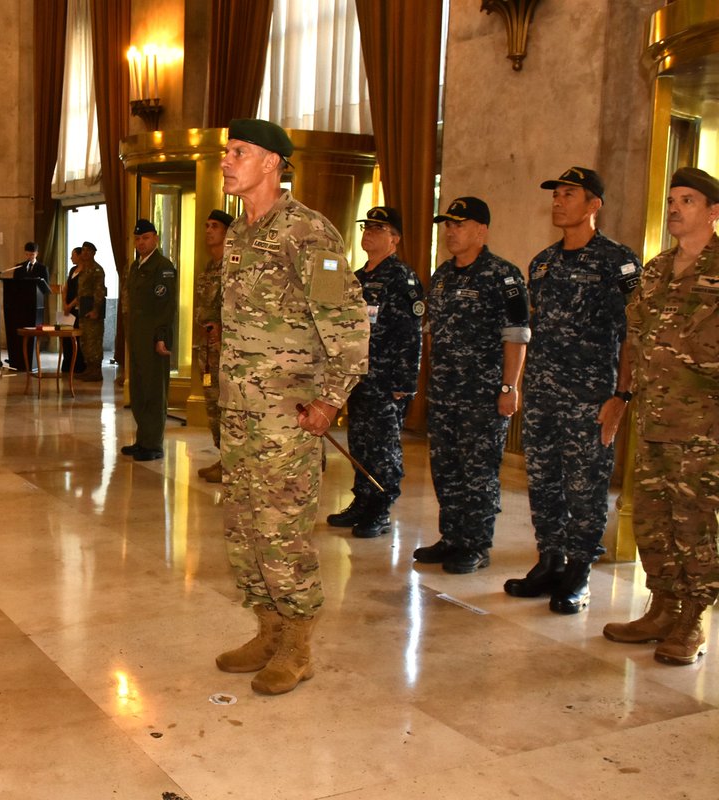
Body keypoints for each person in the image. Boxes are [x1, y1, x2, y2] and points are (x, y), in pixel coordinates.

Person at [213, 118, 369, 695]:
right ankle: (268, 629)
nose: (227, 161)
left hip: (288, 415)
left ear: (273, 163)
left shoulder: (308, 233)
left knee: (282, 530)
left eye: (239, 152)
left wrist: (331, 401)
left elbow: (348, 325)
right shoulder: (238, 234)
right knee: (244, 527)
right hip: (241, 412)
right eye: (226, 152)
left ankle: (298, 645)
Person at [504, 168, 641, 614]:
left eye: (569, 194)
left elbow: (633, 335)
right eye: (556, 195)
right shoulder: (542, 263)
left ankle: (579, 572)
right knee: (543, 483)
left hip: (591, 398)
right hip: (544, 395)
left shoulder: (617, 263)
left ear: (593, 205)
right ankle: (550, 561)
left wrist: (621, 396)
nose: (559, 202)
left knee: (585, 487)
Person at [601, 166, 719, 665]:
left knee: (694, 522)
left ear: (713, 212)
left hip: (703, 428)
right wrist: (622, 399)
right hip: (652, 419)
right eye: (672, 200)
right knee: (652, 519)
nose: (674, 207)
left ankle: (692, 618)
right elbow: (635, 339)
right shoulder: (654, 269)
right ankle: (662, 607)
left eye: (687, 200)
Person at [414, 197, 530, 574]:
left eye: (459, 224)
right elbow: (432, 333)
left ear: (481, 231)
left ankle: (477, 544)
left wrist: (509, 388)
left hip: (482, 395)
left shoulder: (504, 276)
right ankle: (452, 537)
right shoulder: (442, 275)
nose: (450, 231)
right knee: (445, 468)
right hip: (445, 393)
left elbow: (516, 336)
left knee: (478, 472)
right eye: (447, 224)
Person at [326, 206, 423, 537]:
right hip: (358, 377)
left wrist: (404, 381)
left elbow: (411, 334)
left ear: (394, 238)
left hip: (386, 380)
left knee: (384, 446)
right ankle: (362, 499)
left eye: (378, 228)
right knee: (360, 443)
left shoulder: (402, 279)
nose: (369, 232)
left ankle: (381, 507)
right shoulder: (358, 277)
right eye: (366, 226)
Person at [119, 219, 177, 461]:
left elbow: (166, 307)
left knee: (154, 390)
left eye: (146, 238)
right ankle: (143, 439)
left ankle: (154, 444)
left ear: (155, 238)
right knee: (140, 389)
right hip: (138, 336)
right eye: (138, 238)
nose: (141, 243)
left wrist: (162, 337)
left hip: (154, 338)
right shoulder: (137, 266)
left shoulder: (162, 267)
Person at [194, 209, 234, 483]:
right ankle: (224, 457)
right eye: (207, 225)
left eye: (215, 226)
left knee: (228, 406)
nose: (209, 230)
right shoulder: (209, 266)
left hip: (227, 349)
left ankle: (231, 463)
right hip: (207, 349)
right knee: (213, 405)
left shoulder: (235, 267)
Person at [5, 241, 51, 368]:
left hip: (35, 306)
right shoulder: (19, 267)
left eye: (32, 254)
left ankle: (32, 359)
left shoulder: (42, 268)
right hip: (20, 306)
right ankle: (18, 358)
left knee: (33, 333)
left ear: (36, 254)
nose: (29, 257)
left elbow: (45, 287)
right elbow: (15, 285)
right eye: (27, 254)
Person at [77, 241, 107, 381]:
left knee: (94, 340)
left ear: (94, 253)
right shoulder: (83, 269)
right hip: (84, 308)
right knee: (85, 341)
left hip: (94, 309)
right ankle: (89, 368)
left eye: (88, 251)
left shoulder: (97, 270)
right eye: (83, 250)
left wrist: (96, 310)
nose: (85, 253)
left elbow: (99, 291)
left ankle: (96, 370)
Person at [60, 247, 87, 374]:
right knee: (66, 336)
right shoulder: (72, 270)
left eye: (73, 255)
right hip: (68, 309)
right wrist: (64, 303)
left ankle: (78, 366)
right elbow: (65, 288)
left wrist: (70, 305)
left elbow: (81, 293)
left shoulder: (85, 271)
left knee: (76, 338)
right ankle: (67, 364)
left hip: (77, 308)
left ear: (80, 256)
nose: (71, 258)